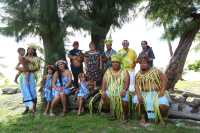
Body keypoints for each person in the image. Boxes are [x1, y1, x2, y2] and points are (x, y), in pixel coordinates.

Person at [133, 56, 169, 125]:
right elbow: (136, 86)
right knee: (136, 101)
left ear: (148, 64)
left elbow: (164, 79)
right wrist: (139, 94)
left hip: (157, 93)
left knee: (163, 104)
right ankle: (143, 117)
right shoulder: (138, 74)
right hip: (144, 93)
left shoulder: (155, 71)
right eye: (141, 63)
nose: (142, 64)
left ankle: (160, 117)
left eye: (145, 63)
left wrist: (162, 91)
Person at [101, 54, 130, 121]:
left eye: (117, 62)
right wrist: (103, 91)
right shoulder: (108, 71)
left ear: (120, 63)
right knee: (104, 96)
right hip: (110, 90)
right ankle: (112, 113)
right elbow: (104, 82)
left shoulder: (124, 71)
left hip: (121, 90)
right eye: (113, 62)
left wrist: (124, 90)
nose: (115, 64)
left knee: (125, 100)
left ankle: (125, 115)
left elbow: (127, 82)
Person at [17, 46, 40, 114]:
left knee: (32, 91)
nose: (30, 50)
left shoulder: (36, 58)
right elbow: (17, 66)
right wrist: (20, 69)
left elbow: (37, 68)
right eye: (28, 49)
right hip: (23, 75)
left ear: (34, 51)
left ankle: (34, 108)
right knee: (25, 91)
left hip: (32, 75)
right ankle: (27, 108)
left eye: (31, 49)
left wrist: (30, 70)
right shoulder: (24, 57)